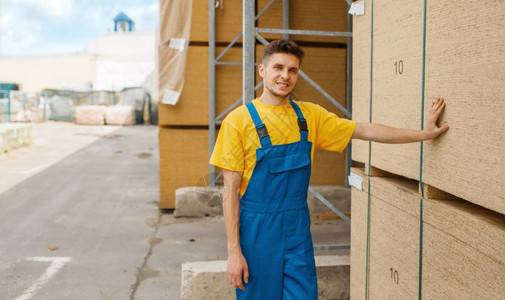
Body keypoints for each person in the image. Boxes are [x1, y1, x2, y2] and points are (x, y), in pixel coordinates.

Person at [209, 39, 449, 299]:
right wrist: (234, 253)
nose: (285, 76)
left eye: (293, 70)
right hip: (256, 234)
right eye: (278, 67)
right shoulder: (238, 121)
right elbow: (230, 192)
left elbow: (364, 129)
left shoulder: (309, 117)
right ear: (262, 71)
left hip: (296, 230)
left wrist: (422, 134)